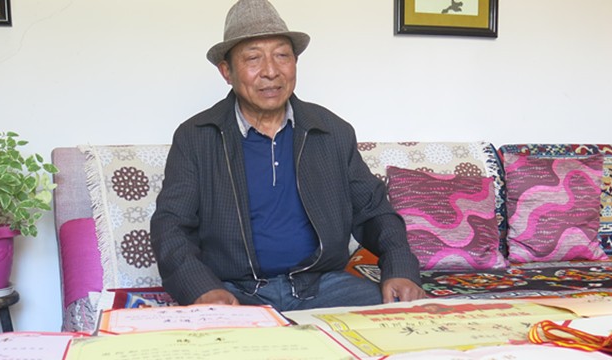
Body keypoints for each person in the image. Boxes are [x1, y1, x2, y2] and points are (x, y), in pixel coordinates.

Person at [150, 0, 426, 311]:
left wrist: (400, 268)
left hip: (321, 286)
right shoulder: (196, 136)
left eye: (282, 55)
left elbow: (374, 212)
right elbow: (171, 226)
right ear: (226, 71)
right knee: (212, 333)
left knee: (400, 314)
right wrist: (202, 288)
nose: (271, 71)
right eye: (253, 58)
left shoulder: (331, 131)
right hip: (236, 290)